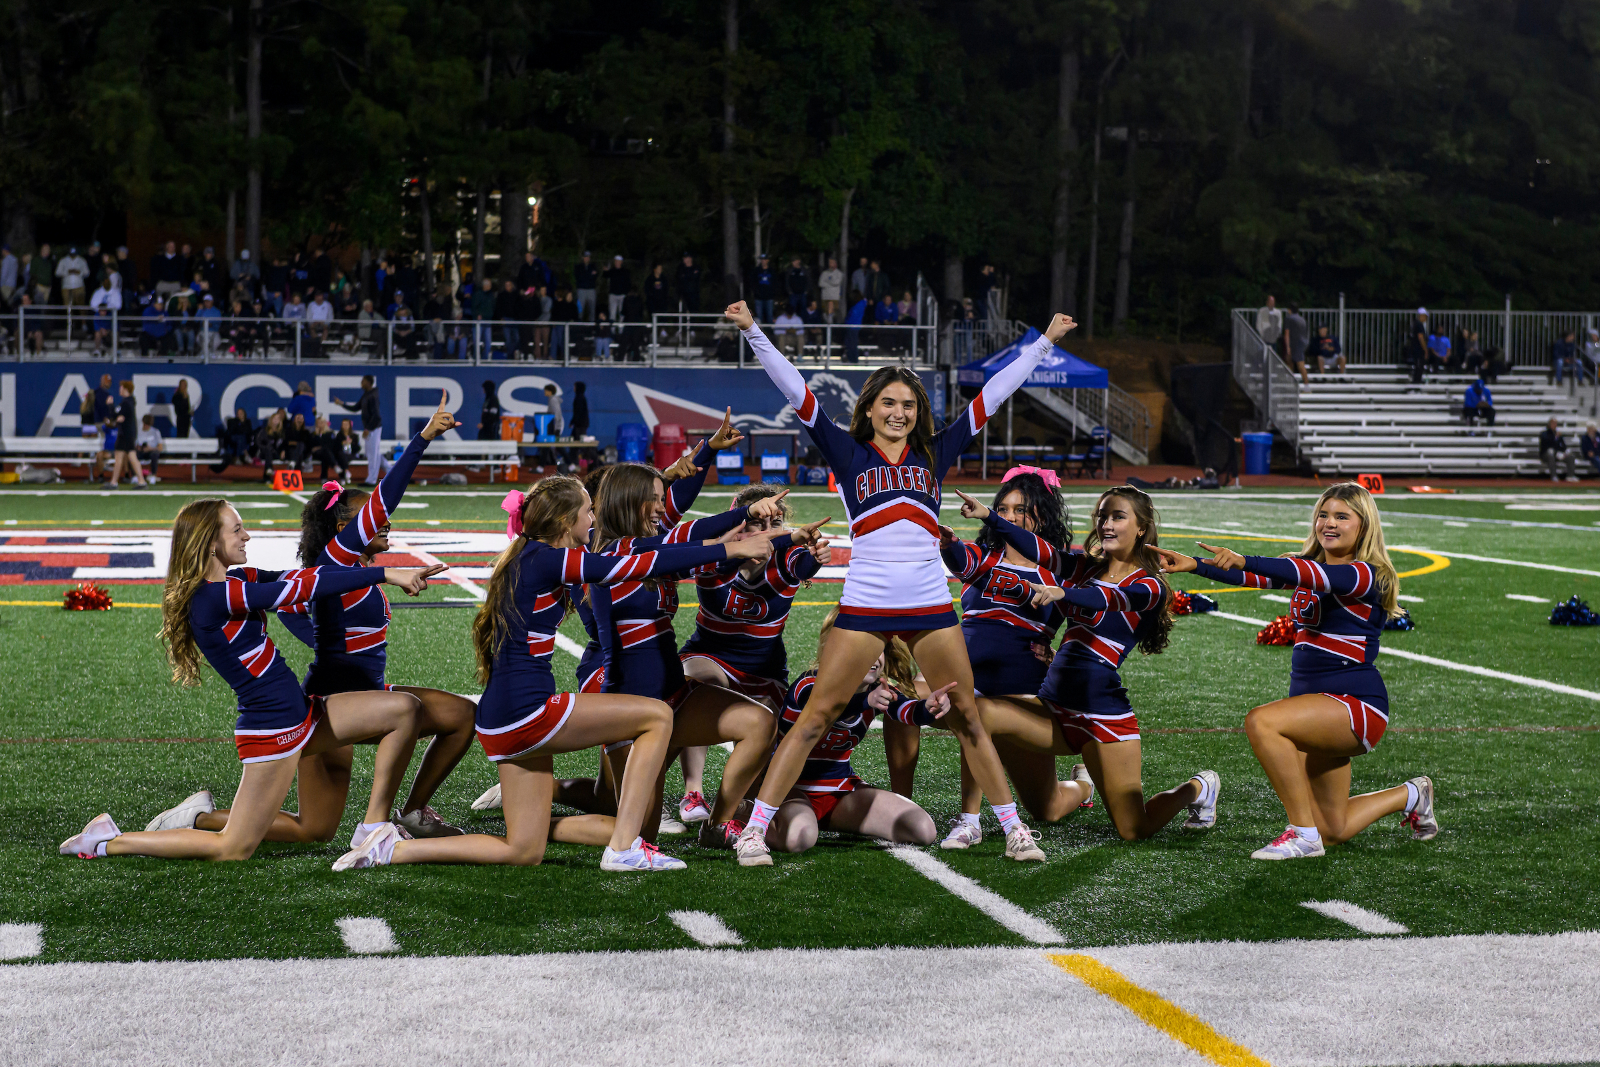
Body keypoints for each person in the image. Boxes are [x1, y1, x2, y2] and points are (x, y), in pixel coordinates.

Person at [725, 299, 1075, 866]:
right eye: (889, 402)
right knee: (816, 715)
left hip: (930, 605)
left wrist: (1045, 343)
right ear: (870, 408)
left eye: (909, 404)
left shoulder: (935, 453)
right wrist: (754, 331)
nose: (899, 412)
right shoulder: (848, 451)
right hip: (865, 603)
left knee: (967, 716)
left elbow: (993, 397)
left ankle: (1014, 831)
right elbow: (799, 393)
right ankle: (753, 831)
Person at [331, 475, 777, 872]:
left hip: (502, 718)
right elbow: (621, 566)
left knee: (522, 849)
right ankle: (624, 848)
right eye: (587, 510)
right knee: (657, 717)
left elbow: (658, 548)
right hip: (528, 711)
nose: (593, 516)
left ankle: (391, 848)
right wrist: (733, 546)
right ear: (567, 518)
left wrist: (740, 529)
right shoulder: (546, 558)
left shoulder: (531, 554)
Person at [60, 500, 440, 863]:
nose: (247, 536)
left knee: (405, 709)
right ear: (211, 543)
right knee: (232, 848)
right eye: (237, 529)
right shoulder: (213, 596)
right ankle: (109, 841)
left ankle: (374, 826)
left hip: (300, 714)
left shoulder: (235, 581)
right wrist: (386, 573)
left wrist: (371, 571)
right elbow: (297, 590)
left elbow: (307, 577)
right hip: (274, 727)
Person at [1155, 482, 1438, 860]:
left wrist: (1244, 558)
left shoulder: (1367, 574)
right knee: (1334, 828)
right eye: (1323, 514)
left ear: (1364, 525)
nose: (1329, 523)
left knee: (1262, 722)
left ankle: (1302, 836)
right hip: (1318, 707)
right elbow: (1255, 577)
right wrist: (1196, 565)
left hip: (1355, 706)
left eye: (1342, 516)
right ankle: (1412, 794)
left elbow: (1313, 577)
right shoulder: (1307, 567)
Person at [953, 485, 1219, 847]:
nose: (1107, 524)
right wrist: (988, 516)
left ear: (1141, 527)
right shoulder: (1084, 568)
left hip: (1101, 718)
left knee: (1133, 829)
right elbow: (1040, 550)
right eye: (1103, 516)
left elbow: (1110, 598)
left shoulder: (1149, 585)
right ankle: (983, 820)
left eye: (1118, 517)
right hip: (1055, 706)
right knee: (978, 711)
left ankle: (1198, 788)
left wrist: (1065, 593)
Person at [264, 398, 477, 839]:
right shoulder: (336, 557)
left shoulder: (354, 567)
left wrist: (324, 635)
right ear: (345, 526)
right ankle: (199, 818)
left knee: (460, 716)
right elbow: (386, 497)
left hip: (368, 697)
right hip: (330, 704)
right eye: (371, 518)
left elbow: (291, 606)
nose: (386, 521)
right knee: (314, 830)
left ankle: (413, 812)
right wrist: (423, 439)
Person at [585, 464, 792, 845]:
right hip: (632, 710)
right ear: (626, 500)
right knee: (637, 834)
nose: (659, 508)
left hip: (672, 699)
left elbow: (689, 546)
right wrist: (744, 517)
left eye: (661, 499)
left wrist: (786, 538)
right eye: (652, 499)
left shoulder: (651, 545)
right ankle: (539, 828)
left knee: (759, 723)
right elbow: (687, 542)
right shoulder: (613, 552)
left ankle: (715, 825)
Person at [930, 468, 1071, 847]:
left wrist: (1061, 653)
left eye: (1020, 509)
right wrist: (947, 543)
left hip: (1021, 688)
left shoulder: (1061, 568)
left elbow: (1094, 618)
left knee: (1049, 808)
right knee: (920, 699)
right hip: (967, 679)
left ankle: (1084, 785)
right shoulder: (983, 557)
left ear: (1043, 514)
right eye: (1003, 508)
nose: (1009, 516)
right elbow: (959, 557)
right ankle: (964, 818)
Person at [679, 484, 831, 827]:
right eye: (756, 523)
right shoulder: (716, 558)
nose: (765, 532)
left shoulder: (787, 558)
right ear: (738, 523)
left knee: (770, 720)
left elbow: (803, 565)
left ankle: (734, 803)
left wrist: (816, 558)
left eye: (772, 524)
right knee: (699, 685)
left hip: (764, 666)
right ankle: (692, 792)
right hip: (710, 654)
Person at [764, 613, 948, 854]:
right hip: (788, 790)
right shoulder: (809, 684)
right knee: (799, 838)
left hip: (839, 791)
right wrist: (865, 701)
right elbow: (829, 707)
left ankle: (821, 819)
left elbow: (907, 712)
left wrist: (929, 708)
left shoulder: (878, 690)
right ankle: (747, 810)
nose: (874, 657)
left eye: (878, 648)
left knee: (921, 829)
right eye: (863, 647)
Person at [334, 375, 390, 485]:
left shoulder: (373, 396)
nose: (361, 383)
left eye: (363, 381)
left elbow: (377, 416)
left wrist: (368, 428)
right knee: (376, 454)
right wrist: (342, 404)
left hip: (373, 428)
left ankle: (371, 480)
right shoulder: (367, 395)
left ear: (369, 382)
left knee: (372, 455)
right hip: (371, 428)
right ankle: (394, 474)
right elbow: (355, 408)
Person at [108, 381, 147, 489]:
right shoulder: (128, 402)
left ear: (125, 389)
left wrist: (110, 405)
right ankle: (141, 481)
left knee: (121, 458)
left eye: (121, 387)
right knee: (130, 457)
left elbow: (115, 416)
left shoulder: (126, 403)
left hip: (125, 434)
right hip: (128, 434)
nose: (119, 389)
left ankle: (114, 482)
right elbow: (117, 417)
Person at [309, 416, 350, 480]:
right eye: (318, 423)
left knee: (326, 456)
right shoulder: (313, 434)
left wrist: (320, 446)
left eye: (321, 423)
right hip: (317, 453)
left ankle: (325, 477)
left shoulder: (330, 433)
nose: (320, 425)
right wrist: (317, 435)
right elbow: (312, 445)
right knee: (326, 453)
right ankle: (335, 467)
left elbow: (331, 444)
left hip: (327, 453)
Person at [256, 410, 288, 483]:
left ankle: (268, 473)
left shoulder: (282, 432)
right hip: (264, 452)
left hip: (276, 453)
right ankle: (268, 472)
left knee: (270, 451)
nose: (276, 421)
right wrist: (265, 448)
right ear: (271, 420)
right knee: (268, 449)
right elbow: (259, 442)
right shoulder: (265, 431)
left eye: (278, 419)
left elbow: (284, 443)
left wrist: (283, 450)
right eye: (275, 419)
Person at [1283, 305, 1310, 386]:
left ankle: (1306, 386)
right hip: (1303, 343)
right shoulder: (1302, 319)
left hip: (1295, 344)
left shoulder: (1288, 319)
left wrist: (1287, 347)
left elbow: (1287, 334)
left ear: (1289, 310)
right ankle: (1290, 383)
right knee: (1289, 360)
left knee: (1300, 364)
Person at [134, 414, 164, 485]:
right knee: (133, 453)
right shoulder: (138, 432)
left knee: (155, 454)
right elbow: (135, 444)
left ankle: (153, 475)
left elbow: (160, 447)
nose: (146, 426)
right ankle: (135, 475)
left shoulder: (155, 432)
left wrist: (150, 448)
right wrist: (139, 447)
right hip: (141, 452)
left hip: (151, 451)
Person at [749, 254, 777, 324]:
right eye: (762, 260)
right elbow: (752, 283)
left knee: (769, 315)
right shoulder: (756, 271)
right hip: (759, 297)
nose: (763, 261)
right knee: (759, 315)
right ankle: (760, 331)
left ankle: (770, 331)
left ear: (768, 260)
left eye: (764, 259)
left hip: (769, 296)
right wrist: (756, 292)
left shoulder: (772, 271)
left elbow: (775, 283)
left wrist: (773, 293)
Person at [1404, 309, 1430, 383]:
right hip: (1418, 350)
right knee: (1419, 368)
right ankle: (1416, 384)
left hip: (1414, 349)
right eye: (1425, 316)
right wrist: (1425, 350)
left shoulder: (1414, 324)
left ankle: (1416, 383)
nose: (1426, 318)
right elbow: (1421, 337)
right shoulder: (1419, 324)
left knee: (1418, 367)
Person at [604, 255, 631, 323]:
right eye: (615, 261)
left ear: (621, 262)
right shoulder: (612, 270)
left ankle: (620, 330)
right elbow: (605, 276)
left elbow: (628, 283)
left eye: (618, 261)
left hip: (622, 295)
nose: (616, 263)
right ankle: (612, 330)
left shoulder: (625, 271)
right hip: (613, 295)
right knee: (612, 313)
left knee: (622, 314)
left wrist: (626, 293)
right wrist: (605, 271)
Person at [818, 257, 843, 321]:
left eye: (832, 262)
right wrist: (830, 283)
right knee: (825, 313)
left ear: (835, 264)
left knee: (833, 313)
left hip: (834, 297)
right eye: (829, 263)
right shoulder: (824, 273)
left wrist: (827, 281)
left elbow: (836, 282)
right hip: (825, 297)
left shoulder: (839, 273)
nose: (830, 264)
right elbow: (820, 283)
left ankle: (832, 326)